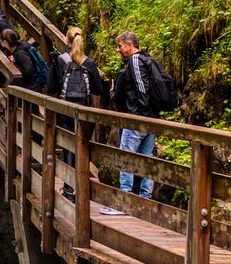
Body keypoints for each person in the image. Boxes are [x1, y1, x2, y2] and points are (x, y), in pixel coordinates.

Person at [50, 27, 105, 202]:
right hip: (85, 111)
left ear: (67, 41)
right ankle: (82, 190)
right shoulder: (89, 62)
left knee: (68, 147)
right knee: (83, 146)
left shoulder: (60, 60)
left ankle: (68, 188)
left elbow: (51, 87)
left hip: (66, 110)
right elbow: (97, 89)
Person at [109, 30, 160, 198]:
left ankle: (125, 197)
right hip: (151, 119)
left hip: (137, 119)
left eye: (120, 46)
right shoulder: (148, 60)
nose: (118, 50)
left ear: (129, 45)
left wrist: (140, 117)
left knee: (126, 157)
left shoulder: (135, 61)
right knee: (147, 159)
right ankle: (146, 197)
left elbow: (142, 89)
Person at [0, 28, 50, 92]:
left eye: (0, 40)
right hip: (31, 87)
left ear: (5, 42)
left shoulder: (20, 53)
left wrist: (14, 64)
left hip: (32, 88)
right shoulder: (19, 47)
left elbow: (29, 72)